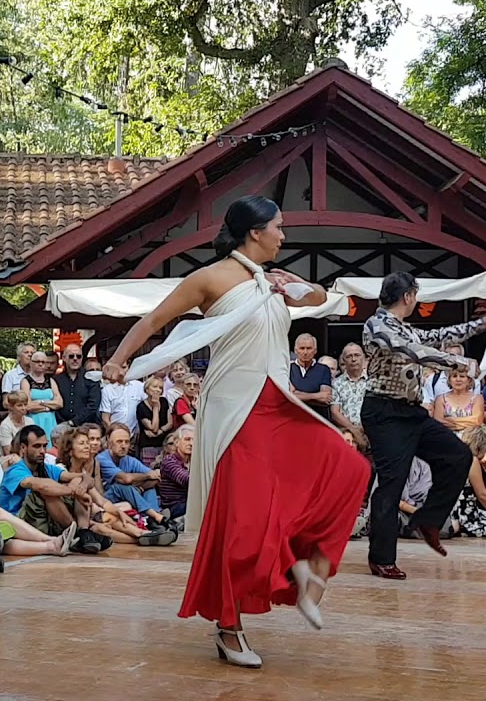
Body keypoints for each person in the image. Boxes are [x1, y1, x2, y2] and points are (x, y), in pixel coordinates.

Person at [102, 195, 371, 668]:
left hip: (278, 403)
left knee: (349, 467)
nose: (284, 236)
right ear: (255, 231)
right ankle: (229, 627)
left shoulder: (274, 280)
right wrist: (120, 359)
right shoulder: (210, 277)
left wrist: (293, 285)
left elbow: (320, 300)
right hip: (234, 408)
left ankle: (307, 574)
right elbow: (153, 320)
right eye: (279, 228)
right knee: (243, 522)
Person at [360, 270, 486, 579]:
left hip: (410, 412)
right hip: (384, 413)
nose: (416, 301)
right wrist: (457, 363)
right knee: (392, 483)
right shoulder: (377, 325)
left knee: (458, 456)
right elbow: (410, 351)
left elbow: (436, 337)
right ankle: (381, 557)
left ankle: (427, 520)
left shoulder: (404, 328)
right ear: (408, 296)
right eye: (416, 295)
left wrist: (479, 325)